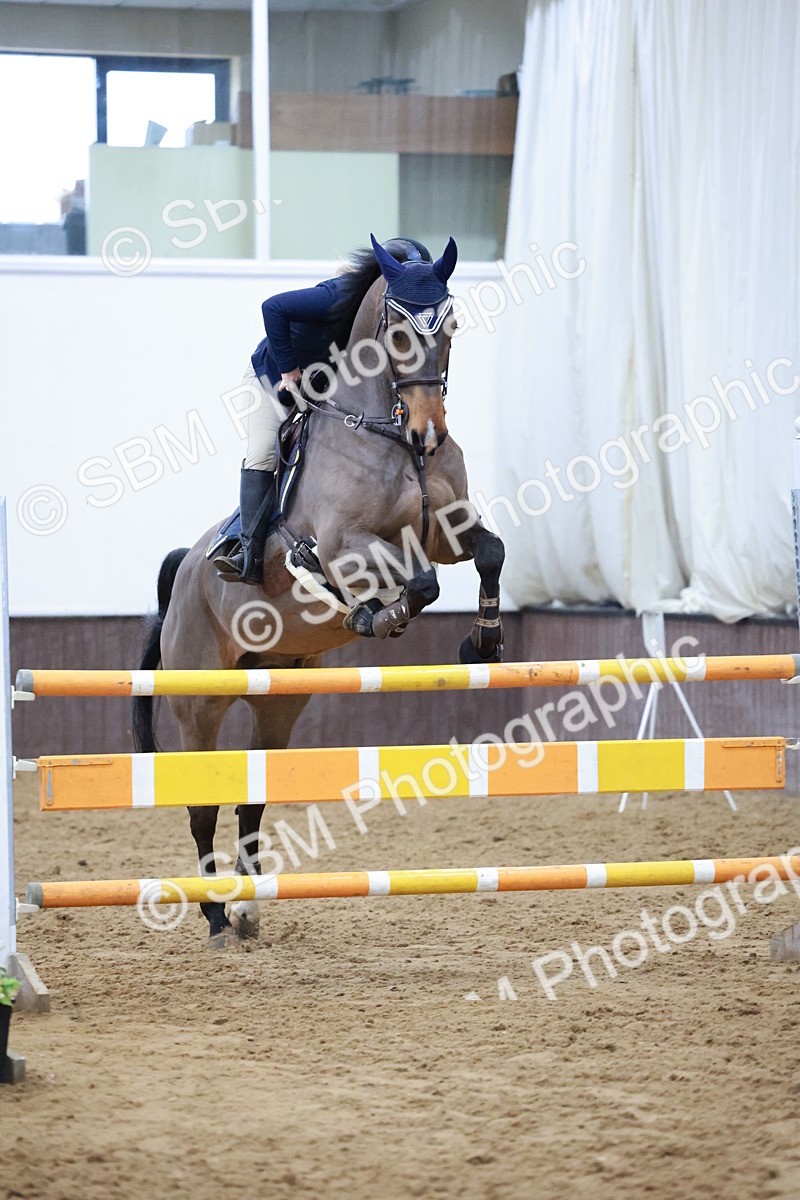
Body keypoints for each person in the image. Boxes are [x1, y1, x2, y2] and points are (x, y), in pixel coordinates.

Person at [214, 237, 434, 584]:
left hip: (319, 388)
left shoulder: (385, 319)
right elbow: (272, 307)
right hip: (274, 383)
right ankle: (245, 550)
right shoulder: (335, 298)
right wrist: (289, 372)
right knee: (262, 455)